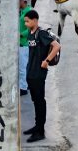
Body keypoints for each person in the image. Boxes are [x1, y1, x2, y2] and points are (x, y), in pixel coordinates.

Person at [24, 9, 61, 143]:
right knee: (35, 101)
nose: (26, 24)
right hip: (31, 73)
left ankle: (40, 131)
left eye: (27, 21)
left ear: (35, 20)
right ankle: (37, 125)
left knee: (40, 101)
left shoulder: (42, 33)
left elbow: (56, 45)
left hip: (39, 73)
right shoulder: (30, 33)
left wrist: (46, 61)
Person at [19, 0, 32, 96]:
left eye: (19, 1)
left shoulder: (28, 12)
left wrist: (20, 34)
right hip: (21, 43)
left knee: (22, 67)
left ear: (23, 1)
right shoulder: (22, 11)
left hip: (24, 43)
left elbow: (31, 28)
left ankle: (23, 87)